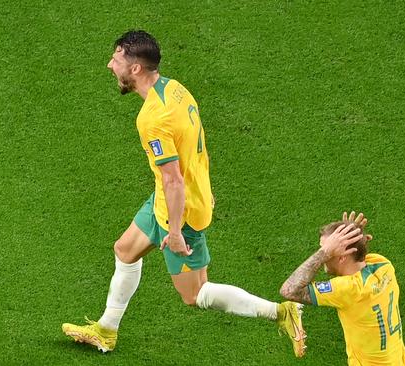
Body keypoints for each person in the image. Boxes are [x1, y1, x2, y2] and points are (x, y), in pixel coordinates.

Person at [62, 30, 306, 357]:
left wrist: (175, 231)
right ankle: (107, 330)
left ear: (135, 69)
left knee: (194, 295)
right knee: (124, 250)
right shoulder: (174, 89)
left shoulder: (152, 119)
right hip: (174, 198)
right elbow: (195, 147)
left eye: (116, 60)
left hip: (180, 211)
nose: (110, 65)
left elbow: (174, 179)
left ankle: (280, 312)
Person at [280, 212, 405, 365]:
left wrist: (325, 252)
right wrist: (355, 235)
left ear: (342, 257)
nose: (322, 255)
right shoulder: (383, 265)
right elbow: (357, 256)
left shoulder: (349, 289)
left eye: (326, 250)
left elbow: (289, 290)